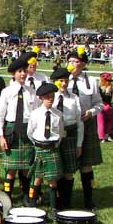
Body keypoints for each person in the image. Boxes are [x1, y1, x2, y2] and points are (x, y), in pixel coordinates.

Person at [0, 53, 39, 203]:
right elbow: (0, 116)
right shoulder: (6, 92)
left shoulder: (32, 92)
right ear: (13, 74)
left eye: (24, 71)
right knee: (10, 169)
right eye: (19, 71)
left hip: (27, 131)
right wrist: (1, 136)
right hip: (11, 131)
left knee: (27, 167)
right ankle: (8, 197)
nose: (23, 74)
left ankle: (27, 195)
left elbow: (36, 114)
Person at [68, 47, 103, 211]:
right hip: (67, 125)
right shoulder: (61, 79)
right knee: (66, 164)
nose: (72, 64)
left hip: (86, 123)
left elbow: (99, 103)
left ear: (82, 64)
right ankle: (64, 200)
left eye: (75, 61)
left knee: (86, 164)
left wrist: (91, 112)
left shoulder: (91, 81)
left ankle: (89, 200)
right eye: (70, 61)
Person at [26, 83, 64, 217]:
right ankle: (32, 204)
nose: (50, 99)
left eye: (52, 97)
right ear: (41, 98)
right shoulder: (35, 114)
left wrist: (53, 145)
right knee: (37, 179)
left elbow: (60, 133)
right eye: (47, 97)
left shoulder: (58, 114)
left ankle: (54, 208)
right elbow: (30, 132)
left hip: (52, 149)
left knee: (52, 179)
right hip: (39, 148)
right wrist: (38, 145)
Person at [51, 68, 83, 209]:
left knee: (69, 171)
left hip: (70, 135)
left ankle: (66, 201)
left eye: (65, 81)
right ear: (54, 82)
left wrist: (79, 144)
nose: (63, 84)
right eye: (60, 81)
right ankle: (55, 201)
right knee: (56, 171)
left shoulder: (74, 98)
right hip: (54, 136)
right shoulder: (50, 98)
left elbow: (79, 122)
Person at [97, 72, 113, 142]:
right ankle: (107, 134)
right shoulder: (111, 87)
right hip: (108, 106)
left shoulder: (98, 88)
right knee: (110, 121)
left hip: (100, 106)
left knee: (100, 123)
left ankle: (101, 137)